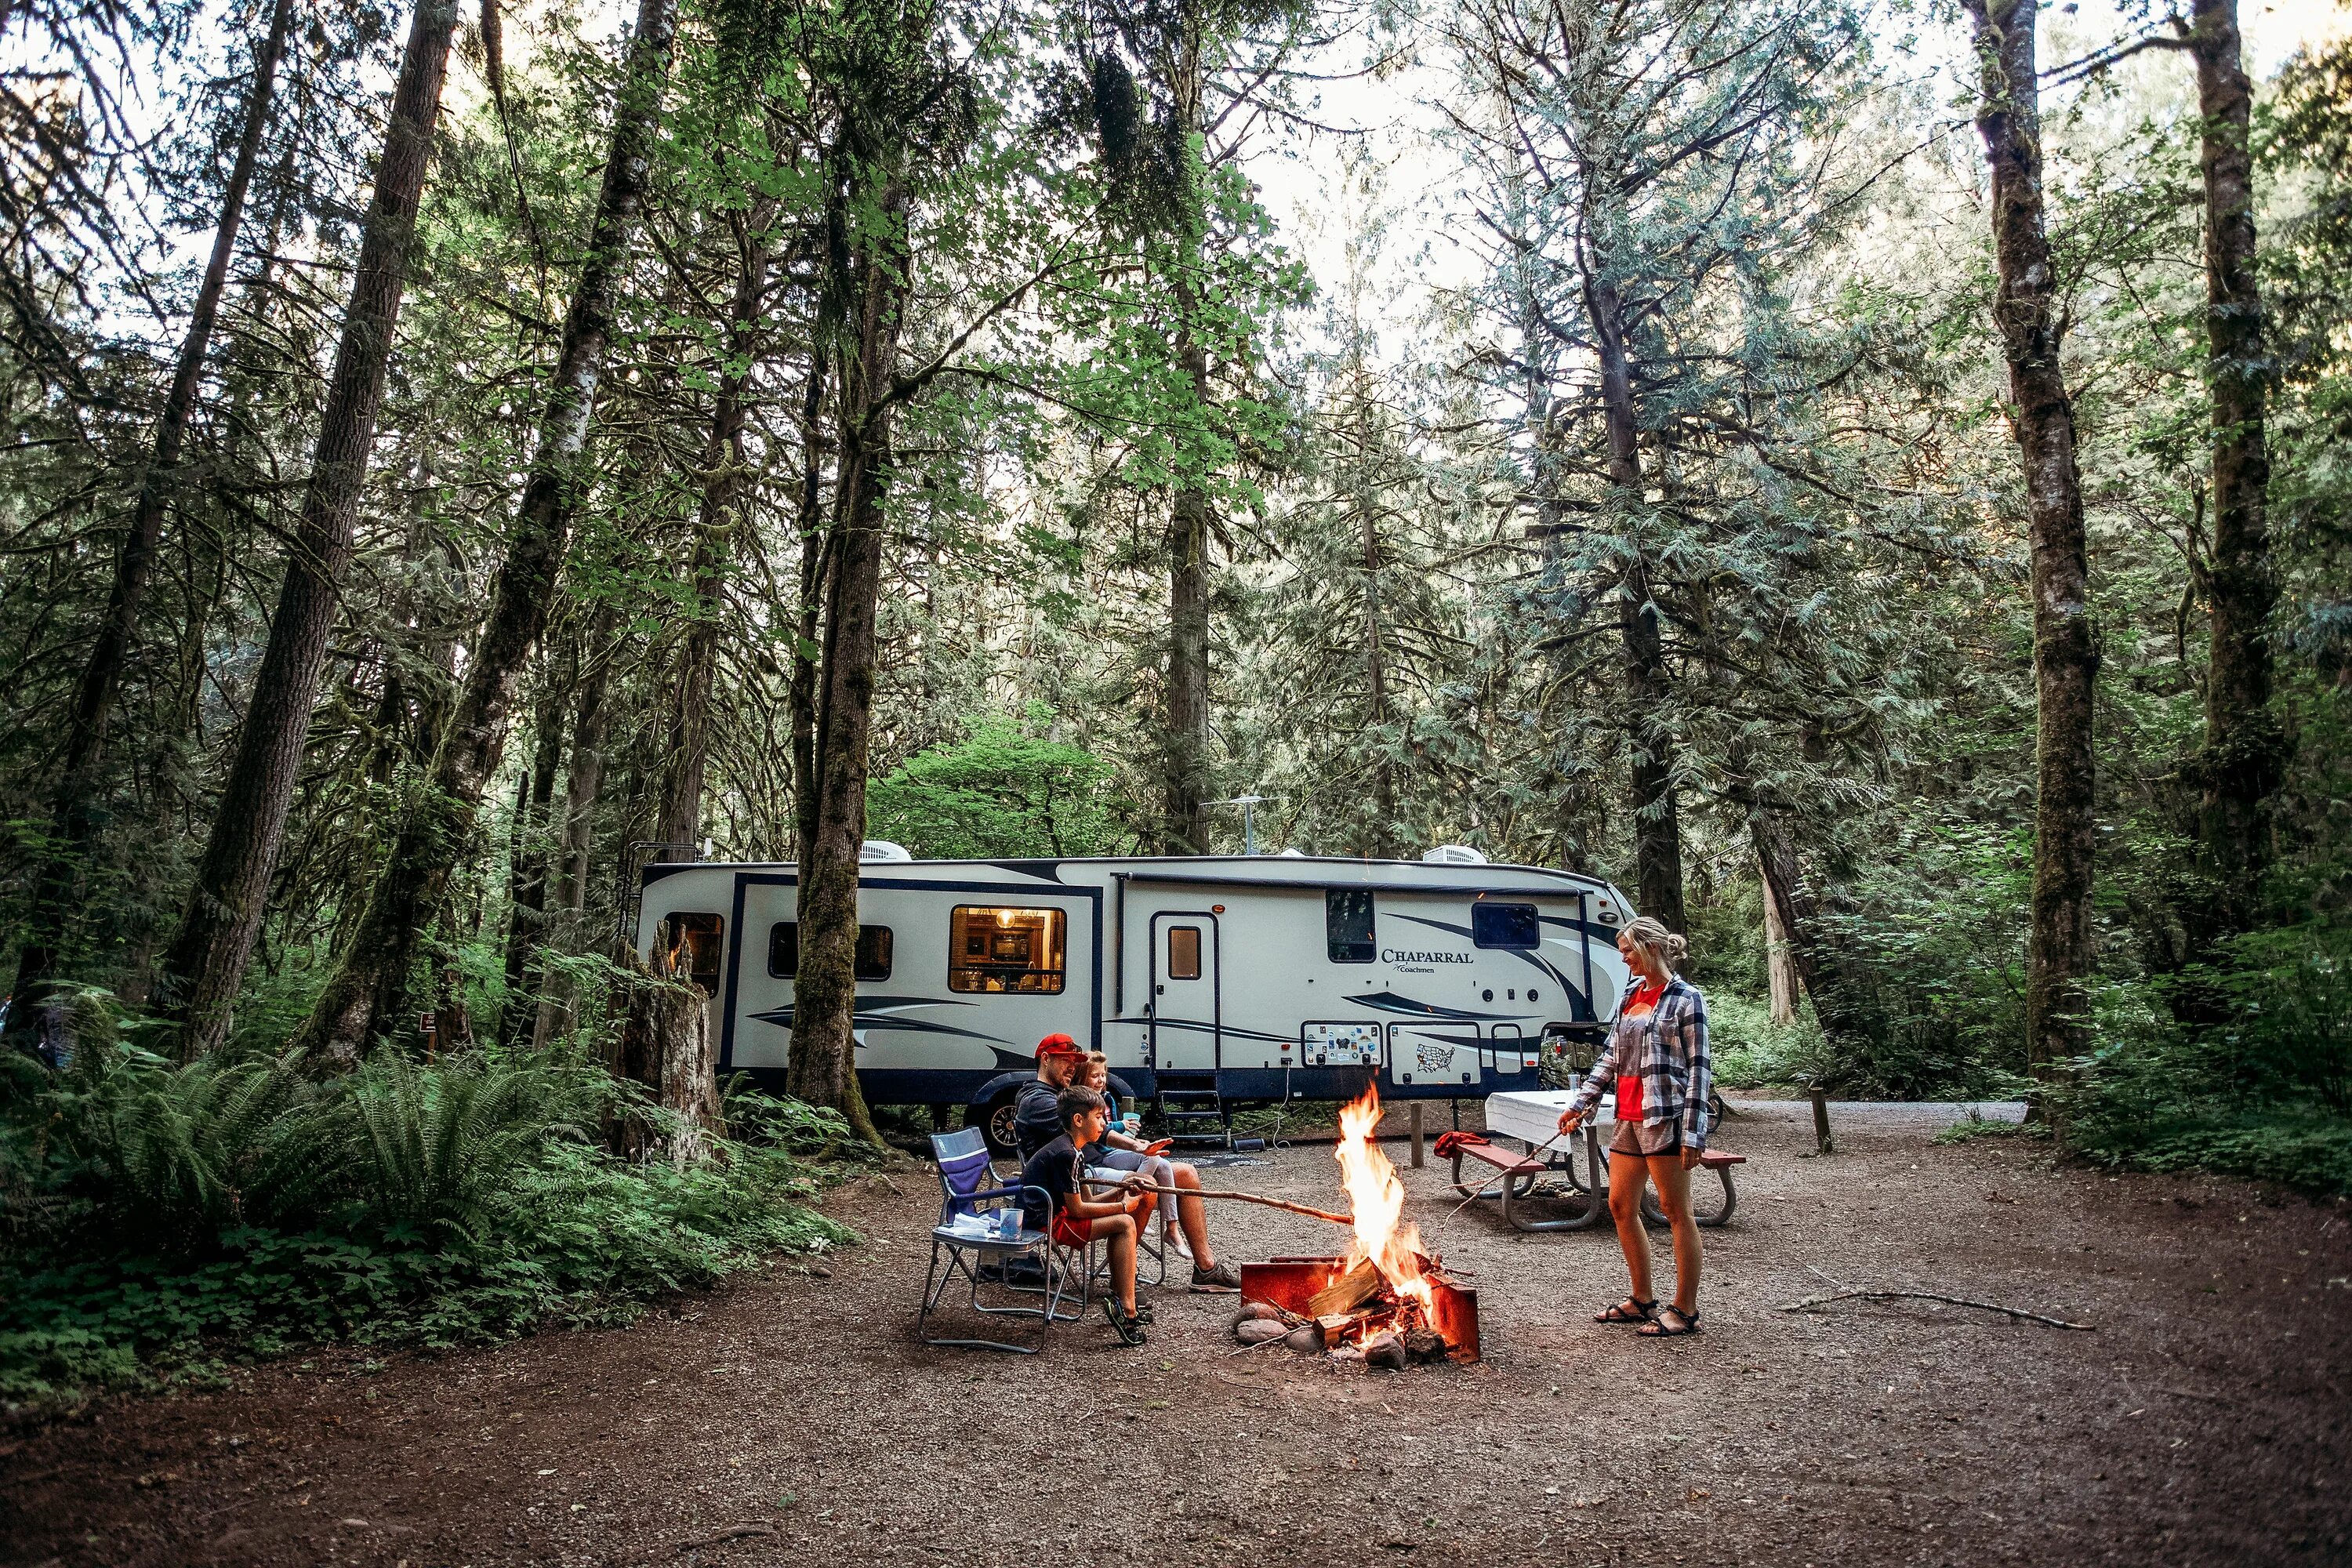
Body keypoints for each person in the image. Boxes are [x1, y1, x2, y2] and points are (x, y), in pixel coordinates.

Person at [1555, 916, 1713, 1338]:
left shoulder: (1686, 999)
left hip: (1665, 1116)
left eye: (1627, 950)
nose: (1623, 958)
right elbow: (1610, 1057)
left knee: (1675, 1212)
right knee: (1621, 1205)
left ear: (1651, 948)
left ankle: (1686, 1309)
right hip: (1627, 1116)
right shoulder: (1631, 995)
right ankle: (1643, 1300)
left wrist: (1694, 1132)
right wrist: (1582, 1104)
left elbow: (1700, 1069)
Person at [1010, 1035, 1241, 1291]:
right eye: (1066, 1061)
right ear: (1045, 1059)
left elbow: (1099, 1127)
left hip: (1090, 1170)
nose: (1073, 1067)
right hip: (1071, 1185)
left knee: (1186, 1173)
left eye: (1075, 1062)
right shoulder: (1038, 1100)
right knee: (1146, 1187)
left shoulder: (1059, 1093)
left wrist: (1139, 1146)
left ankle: (1206, 1269)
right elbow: (1100, 1127)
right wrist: (1135, 1147)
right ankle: (1123, 1276)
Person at [1018, 1084, 1151, 1345]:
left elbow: (1088, 1200)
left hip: (1058, 1214)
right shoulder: (1066, 1154)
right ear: (1078, 1120)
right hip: (1045, 1223)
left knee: (1122, 1223)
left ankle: (1125, 1301)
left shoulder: (1073, 1149)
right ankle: (1127, 1310)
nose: (1104, 1124)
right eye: (1099, 1117)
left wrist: (1122, 1190)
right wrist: (1124, 1207)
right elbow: (1079, 1209)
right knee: (1124, 1223)